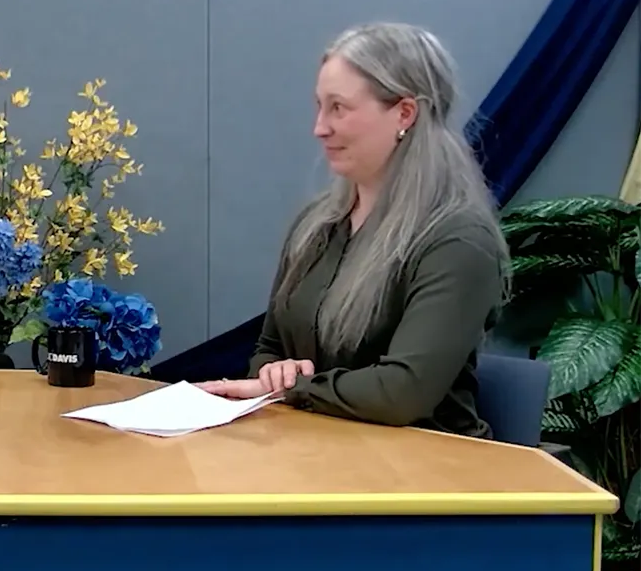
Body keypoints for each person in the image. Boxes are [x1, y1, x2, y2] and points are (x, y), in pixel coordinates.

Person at [197, 22, 510, 438]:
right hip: (317, 449)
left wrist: (295, 389)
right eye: (320, 106)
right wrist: (276, 373)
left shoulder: (458, 240)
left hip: (424, 467)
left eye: (338, 108)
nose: (320, 127)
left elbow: (402, 393)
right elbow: (268, 349)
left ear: (404, 113)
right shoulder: (315, 225)